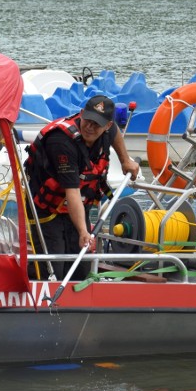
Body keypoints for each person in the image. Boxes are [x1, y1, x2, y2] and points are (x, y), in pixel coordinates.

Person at [24, 95, 140, 281]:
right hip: (47, 209)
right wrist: (83, 232)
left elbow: (116, 132)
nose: (90, 127)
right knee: (53, 269)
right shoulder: (61, 142)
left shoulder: (109, 130)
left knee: (80, 268)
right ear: (81, 113)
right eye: (88, 120)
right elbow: (72, 192)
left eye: (97, 124)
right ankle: (34, 288)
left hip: (78, 206)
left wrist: (125, 160)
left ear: (107, 126)